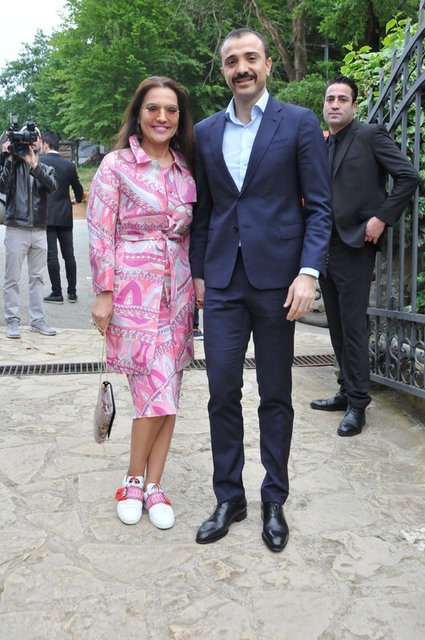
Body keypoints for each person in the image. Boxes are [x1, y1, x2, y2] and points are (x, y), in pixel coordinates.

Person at [189, 28, 332, 552]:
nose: (242, 68)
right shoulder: (205, 132)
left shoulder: (298, 122)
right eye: (232, 61)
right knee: (221, 391)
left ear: (268, 65)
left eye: (251, 58)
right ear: (224, 70)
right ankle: (230, 497)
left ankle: (274, 498)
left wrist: (308, 273)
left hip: (279, 283)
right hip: (223, 283)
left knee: (275, 393)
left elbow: (320, 207)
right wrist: (199, 272)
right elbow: (205, 211)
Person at [88, 76, 196, 530]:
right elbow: (100, 230)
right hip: (133, 294)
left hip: (178, 295)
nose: (162, 117)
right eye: (153, 108)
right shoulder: (116, 166)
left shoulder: (185, 170)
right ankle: (133, 481)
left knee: (169, 392)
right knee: (151, 390)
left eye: (171, 110)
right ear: (139, 114)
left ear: (179, 118)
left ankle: (154, 485)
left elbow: (191, 234)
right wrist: (104, 292)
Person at [310, 75, 420, 437]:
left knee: (354, 325)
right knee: (336, 324)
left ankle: (358, 403)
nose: (335, 104)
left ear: (354, 106)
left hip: (356, 245)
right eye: (330, 99)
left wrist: (382, 218)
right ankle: (346, 389)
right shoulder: (322, 144)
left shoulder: (370, 135)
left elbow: (408, 176)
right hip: (325, 247)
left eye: (342, 99)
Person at [0, 124, 57, 338]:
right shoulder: (13, 165)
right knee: (12, 278)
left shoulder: (45, 167)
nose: (31, 142)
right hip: (16, 227)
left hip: (39, 229)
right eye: (26, 138)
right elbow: (3, 187)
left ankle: (37, 319)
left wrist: (34, 166)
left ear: (41, 142)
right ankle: (12, 320)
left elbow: (52, 186)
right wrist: (9, 159)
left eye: (35, 138)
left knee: (37, 277)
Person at [40, 131, 84, 304]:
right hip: (65, 215)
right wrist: (77, 200)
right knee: (69, 255)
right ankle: (72, 293)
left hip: (47, 215)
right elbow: (78, 189)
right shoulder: (69, 165)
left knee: (52, 256)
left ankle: (56, 293)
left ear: (45, 144)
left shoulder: (40, 162)